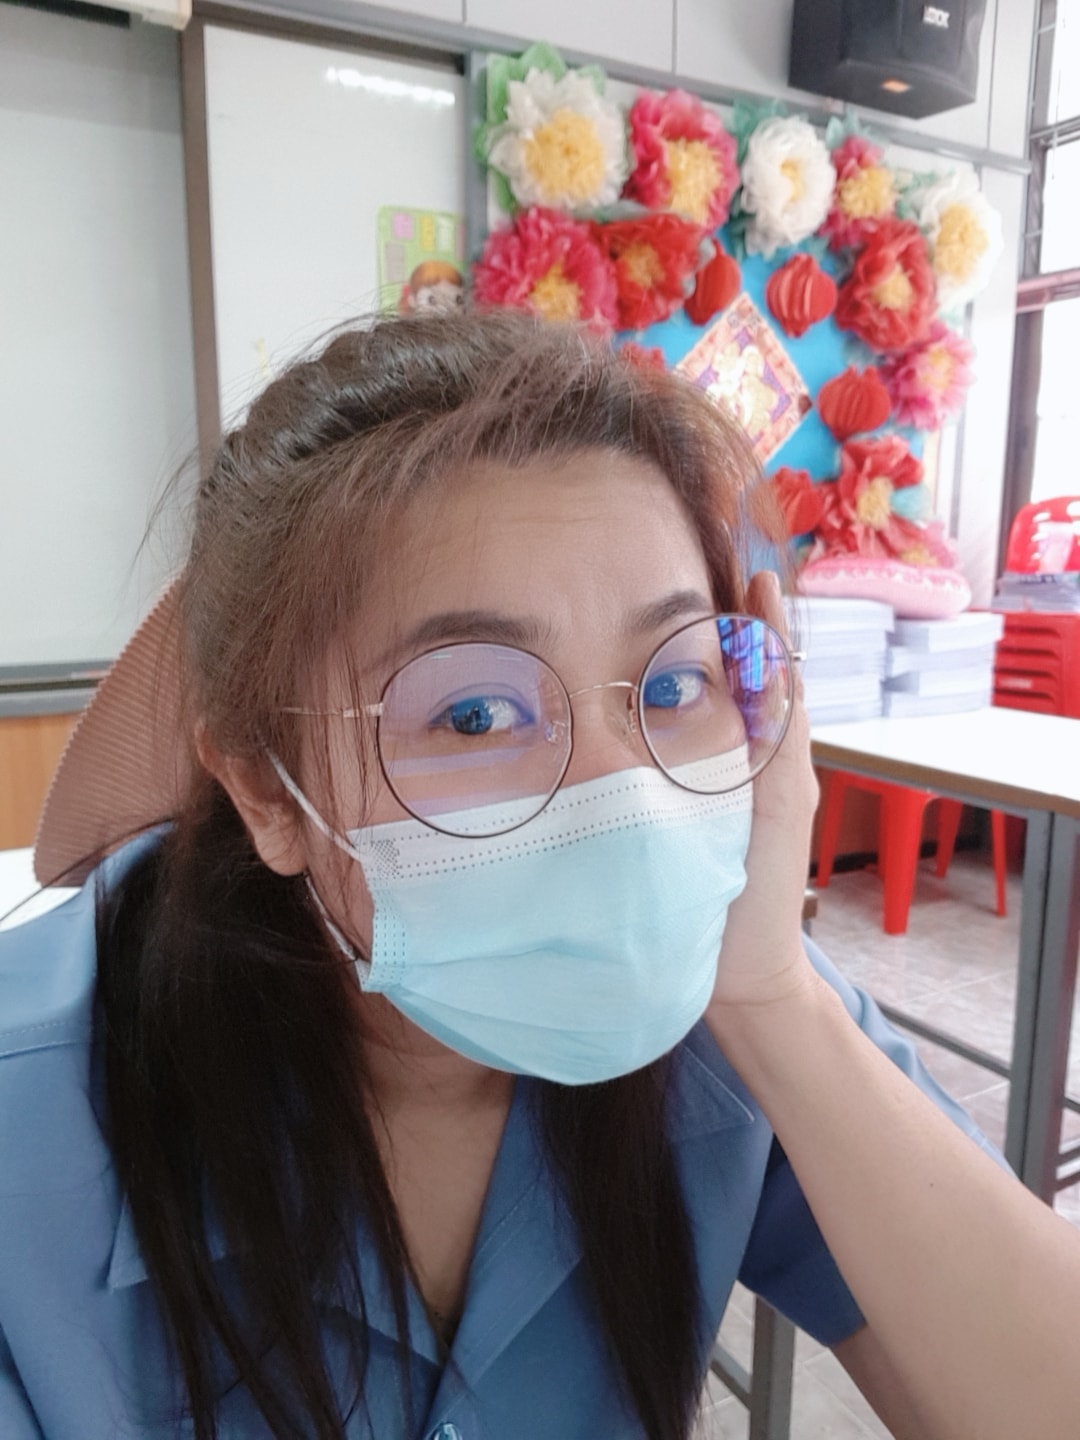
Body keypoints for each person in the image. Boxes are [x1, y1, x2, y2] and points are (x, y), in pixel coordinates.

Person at [2, 310, 1079, 1440]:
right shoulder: (37, 1112)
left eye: (673, 686)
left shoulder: (724, 999)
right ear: (268, 790)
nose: (627, 801)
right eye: (474, 713)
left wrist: (776, 1003)